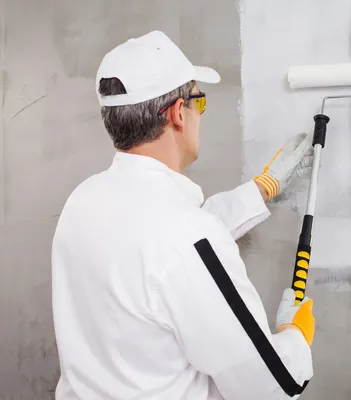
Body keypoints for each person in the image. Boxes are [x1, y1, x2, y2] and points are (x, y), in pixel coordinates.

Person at [51, 30, 315, 400]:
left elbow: (157, 250)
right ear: (178, 113)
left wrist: (260, 190)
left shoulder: (82, 202)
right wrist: (295, 337)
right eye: (199, 102)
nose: (198, 115)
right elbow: (272, 386)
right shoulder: (185, 236)